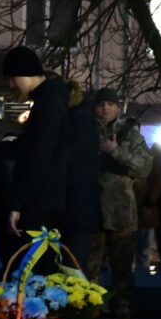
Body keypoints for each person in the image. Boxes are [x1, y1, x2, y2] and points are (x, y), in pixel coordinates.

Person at [88, 88, 152, 319]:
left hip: (121, 211)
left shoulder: (130, 134)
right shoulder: (86, 130)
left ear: (118, 107)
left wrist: (115, 152)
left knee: (123, 271)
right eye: (101, 103)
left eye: (110, 104)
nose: (105, 108)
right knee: (89, 271)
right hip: (92, 208)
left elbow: (145, 167)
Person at [0, 46, 69, 238]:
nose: (12, 85)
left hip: (41, 201)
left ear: (26, 74)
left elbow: (38, 156)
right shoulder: (50, 99)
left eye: (13, 79)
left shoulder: (49, 103)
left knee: (34, 262)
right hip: (46, 198)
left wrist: (17, 203)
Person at [62, 80, 101, 270]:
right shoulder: (81, 117)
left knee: (75, 265)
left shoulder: (79, 119)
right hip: (78, 206)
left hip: (77, 206)